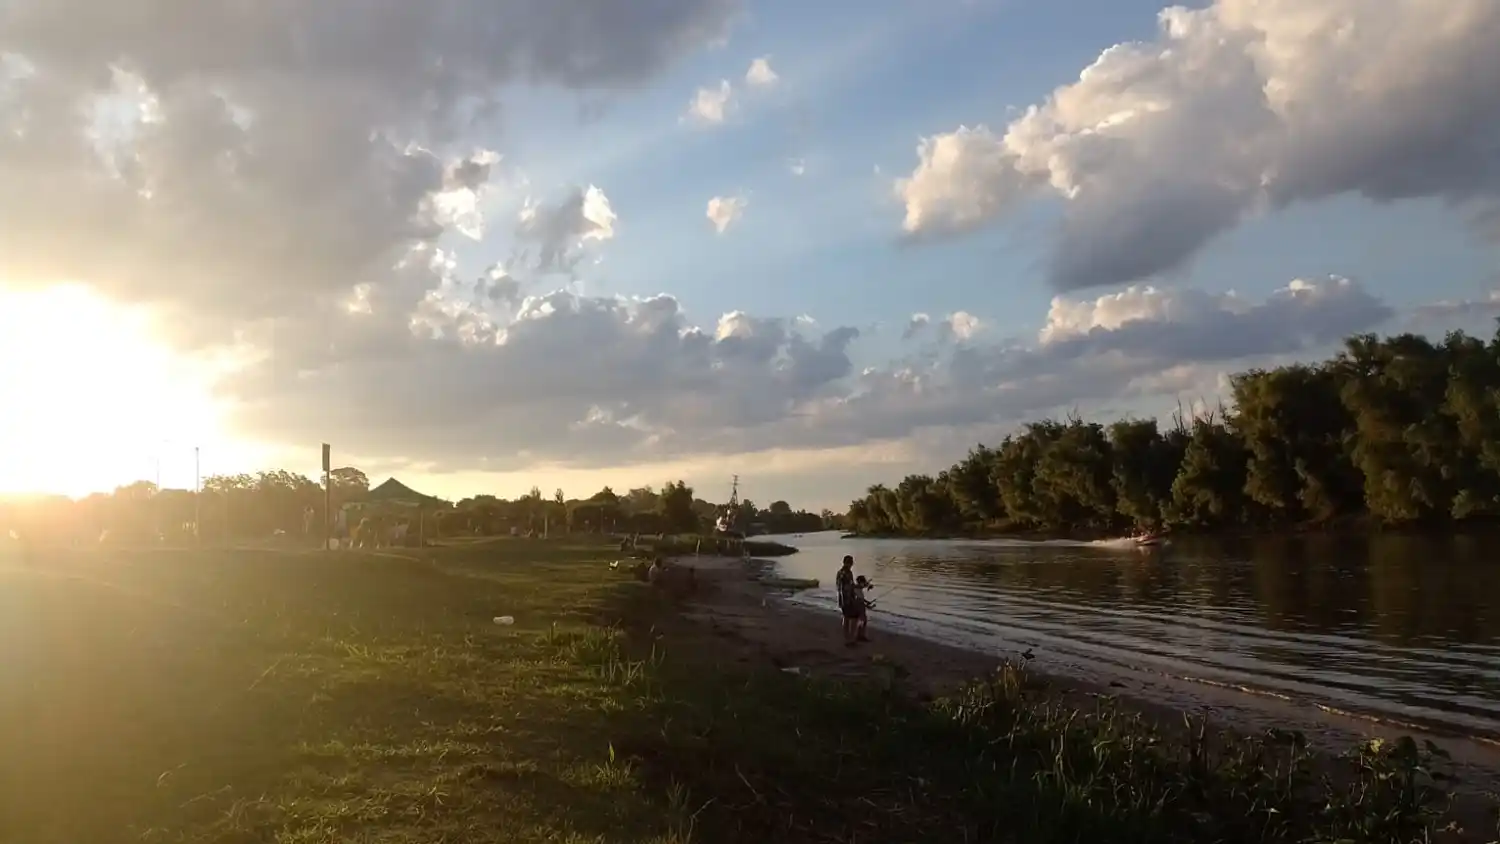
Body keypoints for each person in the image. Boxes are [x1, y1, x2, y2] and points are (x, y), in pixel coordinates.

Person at [835, 555, 863, 646]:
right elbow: (849, 587)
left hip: (841, 599)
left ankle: (847, 638)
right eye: (851, 562)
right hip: (848, 599)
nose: (852, 564)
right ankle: (851, 639)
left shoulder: (839, 572)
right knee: (855, 618)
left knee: (846, 618)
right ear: (849, 563)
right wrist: (859, 587)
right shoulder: (848, 573)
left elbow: (840, 586)